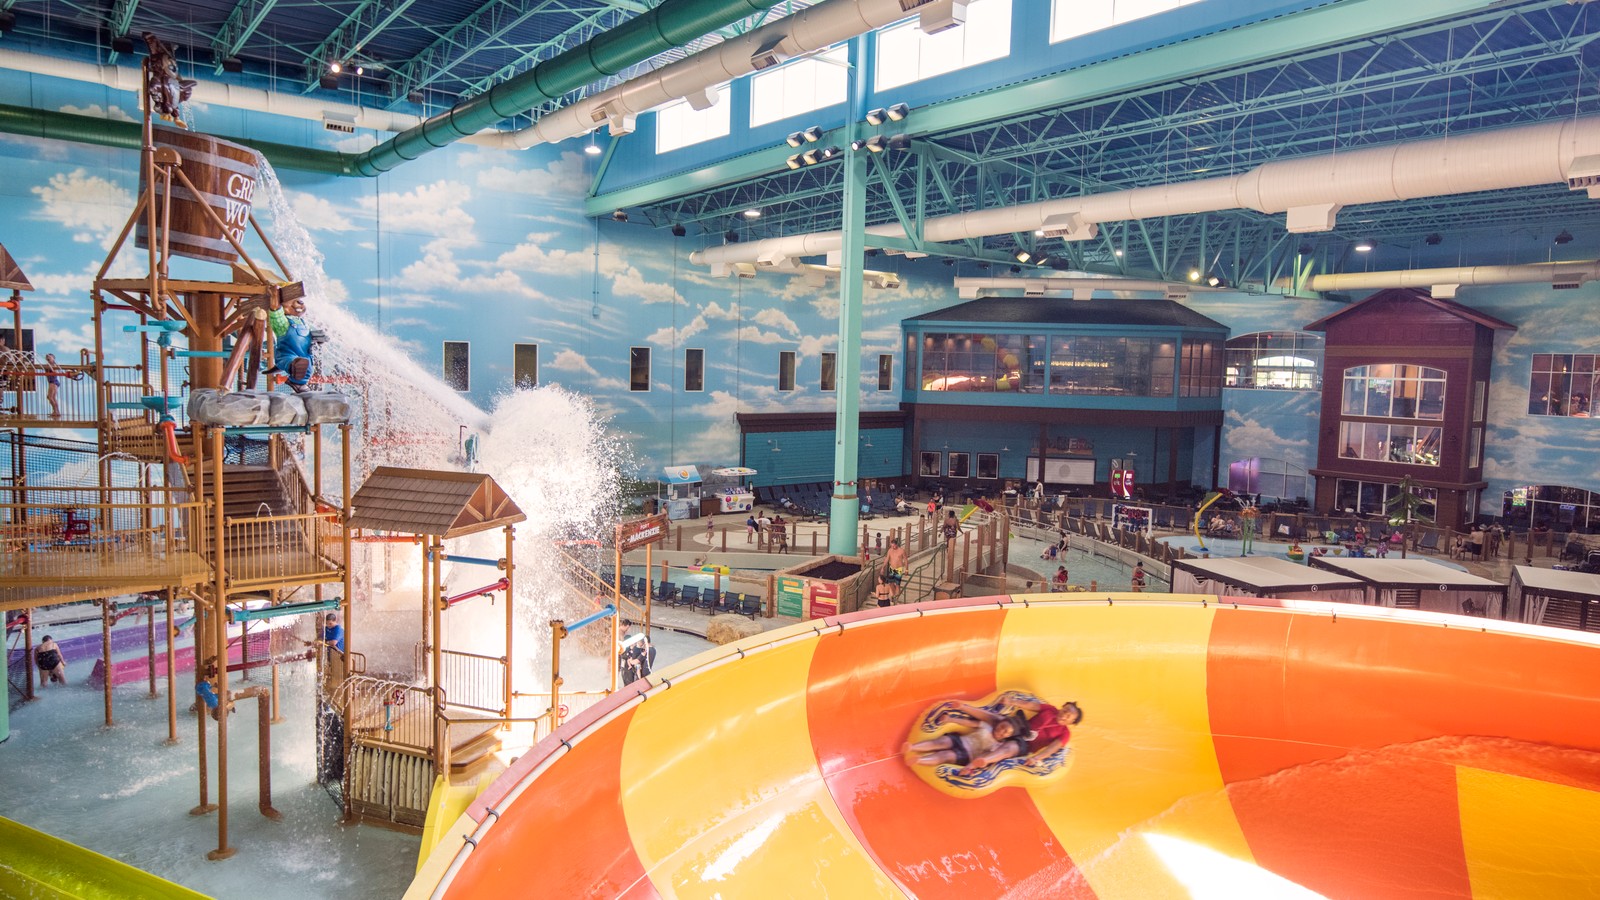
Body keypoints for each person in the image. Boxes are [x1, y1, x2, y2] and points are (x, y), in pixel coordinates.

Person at [906, 711, 1029, 776]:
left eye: (1006, 732)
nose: (1001, 732)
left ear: (1009, 736)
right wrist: (951, 719)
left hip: (966, 754)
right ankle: (912, 747)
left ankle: (919, 760)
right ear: (998, 724)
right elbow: (968, 723)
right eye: (1002, 727)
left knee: (947, 755)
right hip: (961, 740)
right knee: (942, 741)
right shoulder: (987, 726)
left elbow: (983, 758)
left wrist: (969, 768)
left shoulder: (999, 746)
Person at [267, 295, 316, 393]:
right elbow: (276, 314)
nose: (300, 303)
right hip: (288, 355)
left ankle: (300, 383)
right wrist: (275, 299)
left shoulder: (303, 322)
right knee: (299, 365)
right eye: (292, 300)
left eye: (300, 300)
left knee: (308, 369)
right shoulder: (284, 323)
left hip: (304, 354)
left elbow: (308, 337)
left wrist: (317, 338)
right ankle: (296, 383)